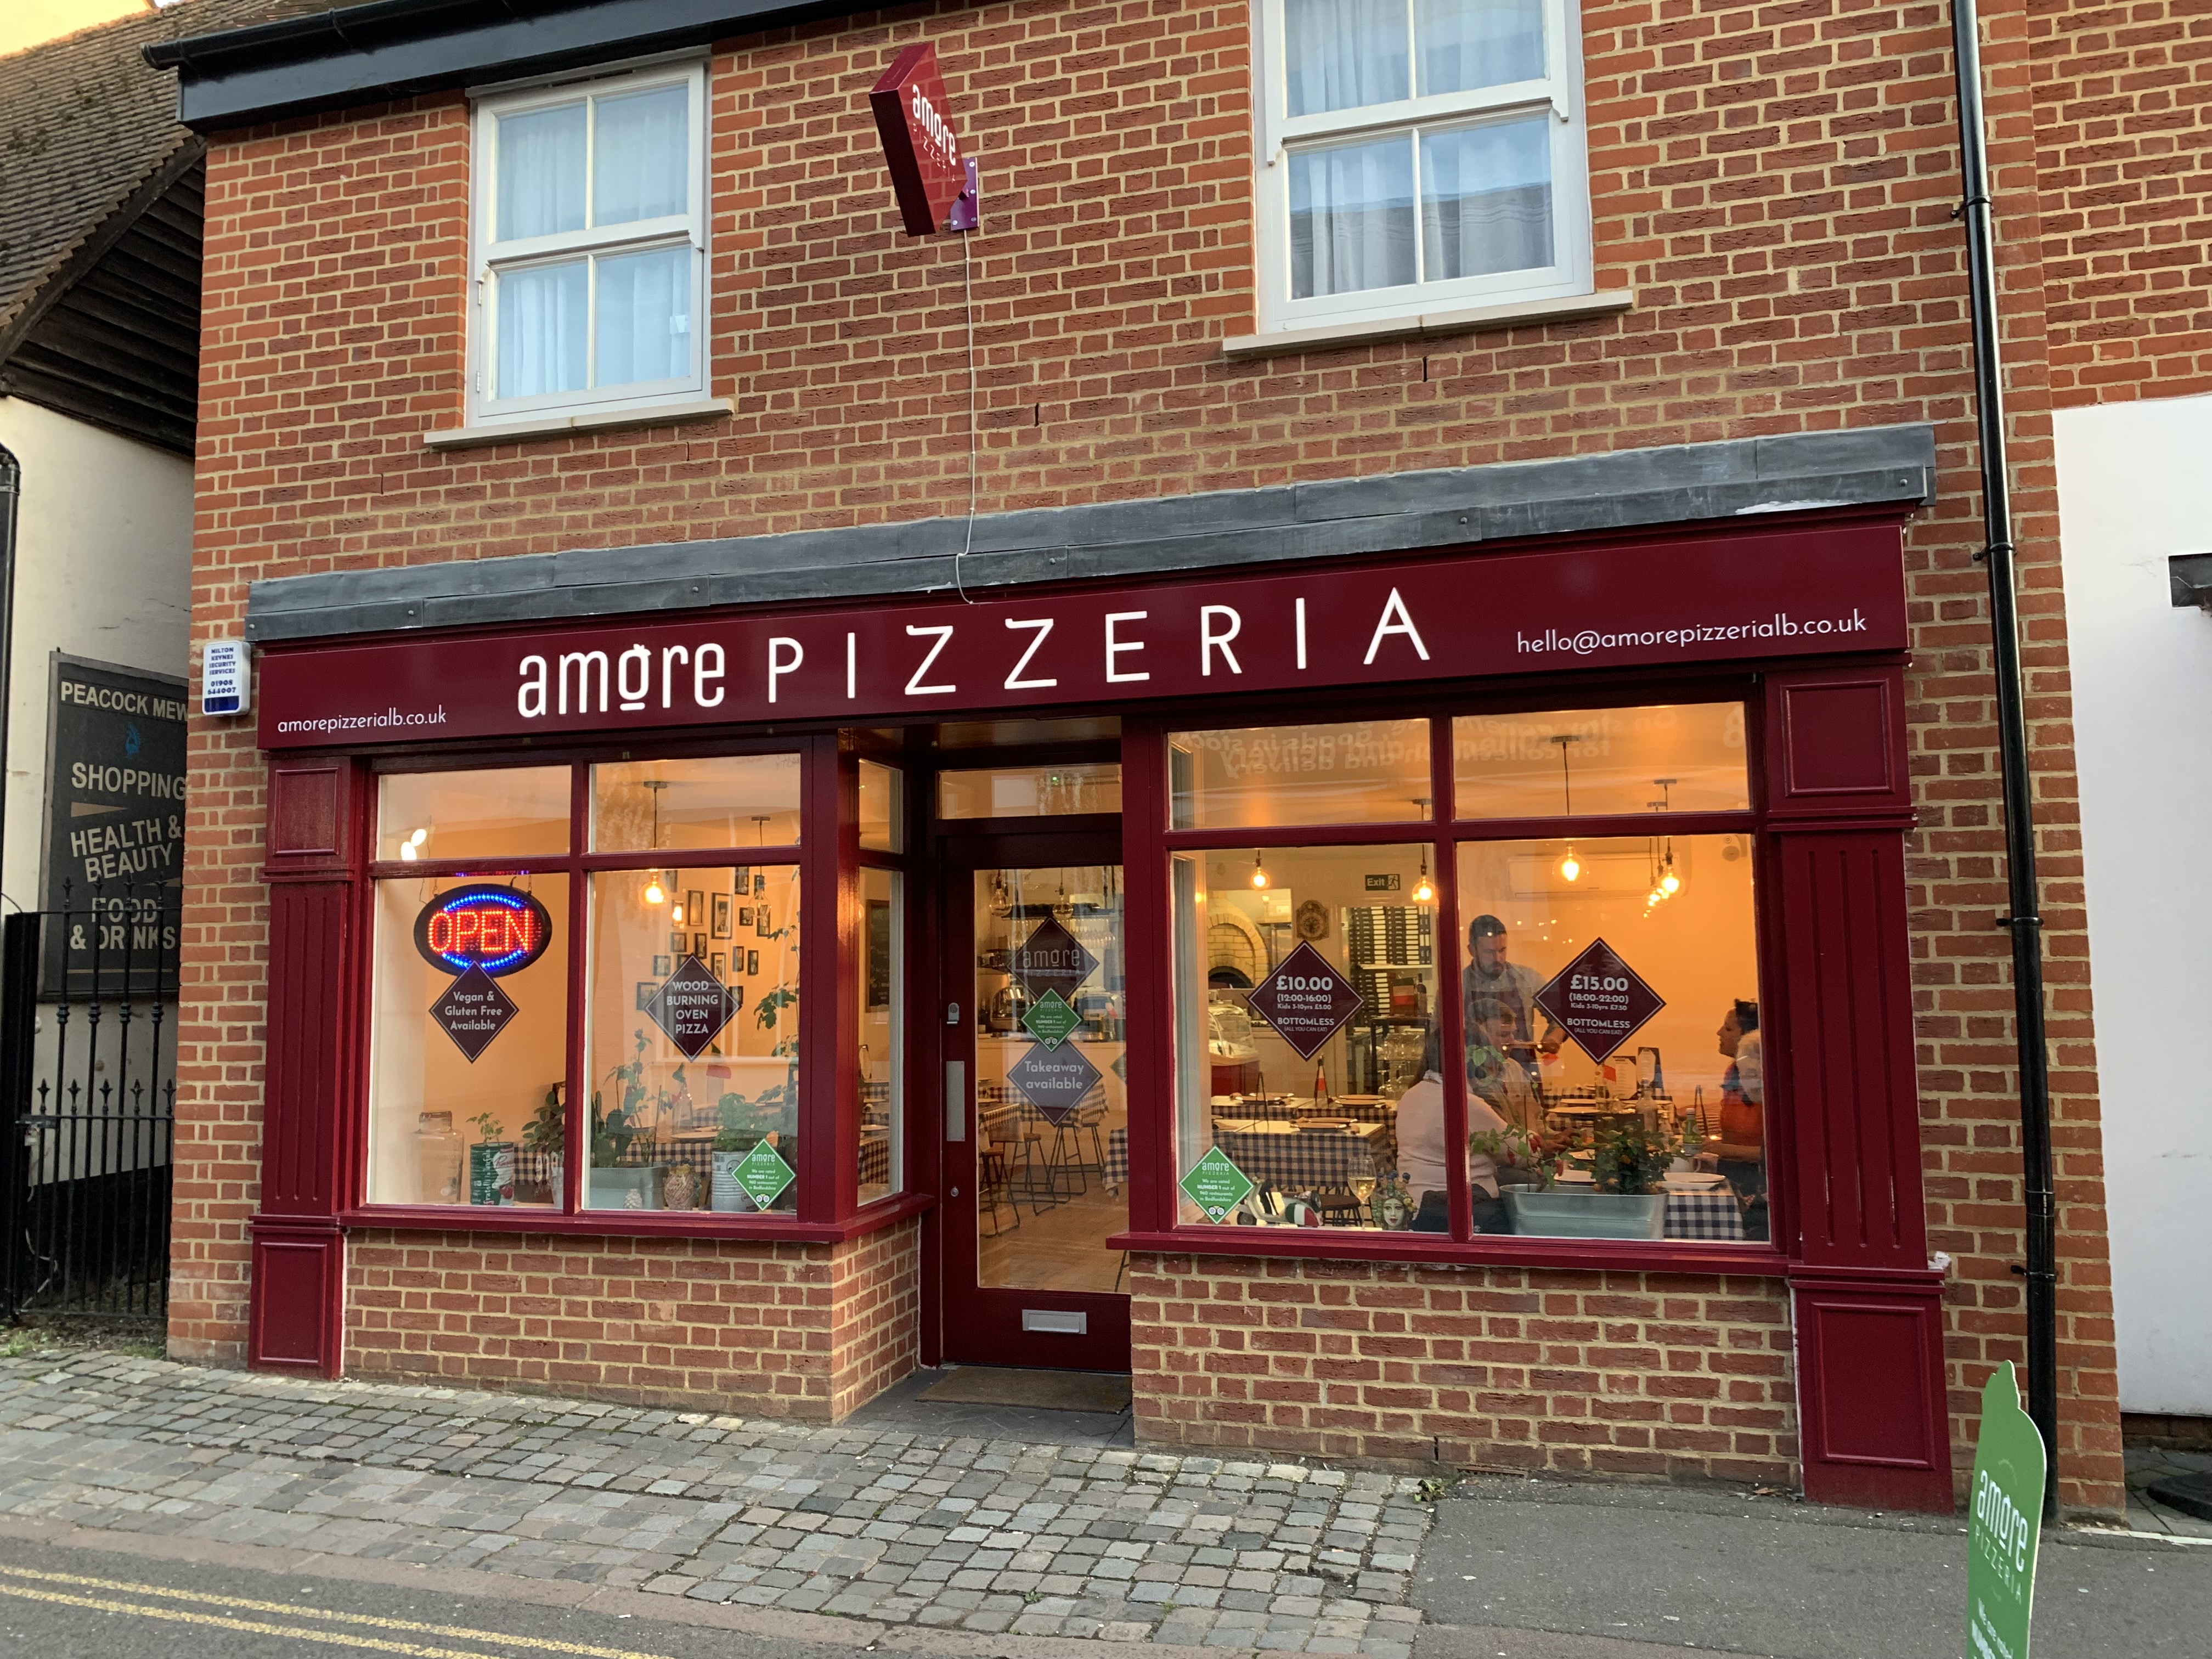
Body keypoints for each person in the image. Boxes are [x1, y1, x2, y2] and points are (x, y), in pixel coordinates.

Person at [1398, 1027, 1513, 1234]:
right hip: (1467, 1211)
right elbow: (1519, 1153)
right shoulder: (1467, 1103)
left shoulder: (1410, 1095)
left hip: (1413, 1207)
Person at [1460, 915, 1560, 1084]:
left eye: (1502, 950)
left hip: (1523, 1074)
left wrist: (1554, 1038)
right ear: (1472, 950)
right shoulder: (1458, 985)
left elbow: (1560, 1017)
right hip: (1475, 1078)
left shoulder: (1528, 979)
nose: (1498, 959)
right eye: (1489, 952)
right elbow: (1439, 1031)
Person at [1714, 998, 1768, 1240]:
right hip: (1734, 1175)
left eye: (1727, 1028)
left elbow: (1772, 1155)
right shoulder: (1733, 1071)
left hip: (1759, 1187)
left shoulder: (1765, 1079)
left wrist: (1722, 1149)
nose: (1719, 1033)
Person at [1467, 994, 1544, 1140]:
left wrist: (1553, 1137)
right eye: (1504, 1035)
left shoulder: (1514, 1068)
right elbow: (1499, 1141)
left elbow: (1536, 1121)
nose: (1512, 1042)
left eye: (1513, 1034)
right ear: (1478, 1036)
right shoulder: (1471, 1077)